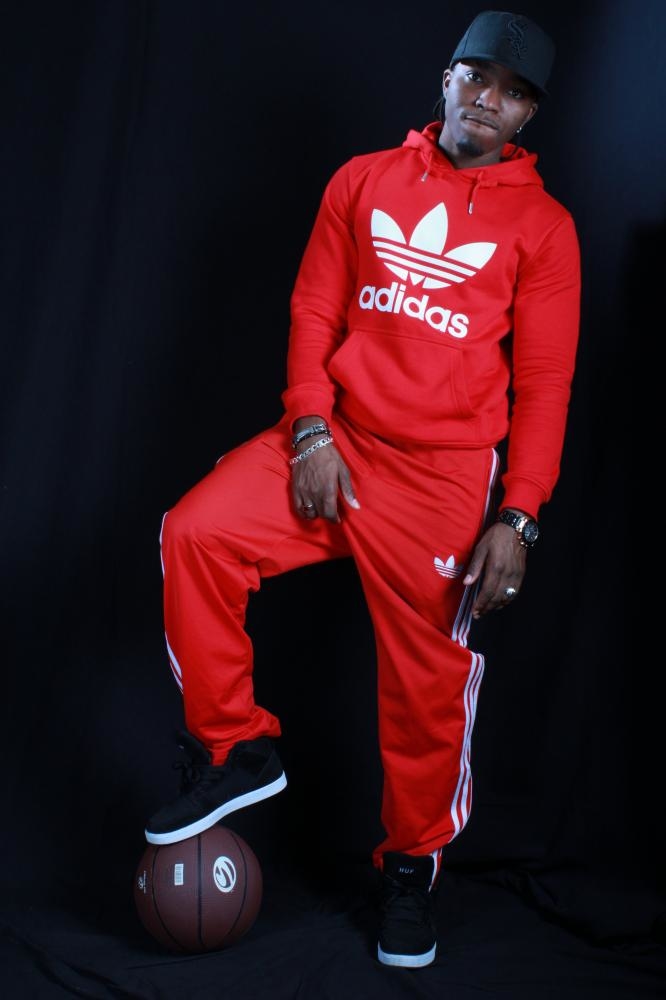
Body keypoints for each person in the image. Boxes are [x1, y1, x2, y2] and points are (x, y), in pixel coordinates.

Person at [144, 9, 581, 969]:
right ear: (448, 77)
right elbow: (314, 306)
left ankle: (410, 870)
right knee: (197, 532)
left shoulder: (544, 228)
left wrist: (519, 516)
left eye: (513, 93)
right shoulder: (363, 179)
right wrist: (310, 428)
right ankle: (234, 748)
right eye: (478, 76)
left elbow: (546, 382)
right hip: (337, 441)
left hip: (443, 474)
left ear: (527, 116)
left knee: (426, 688)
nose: (489, 100)